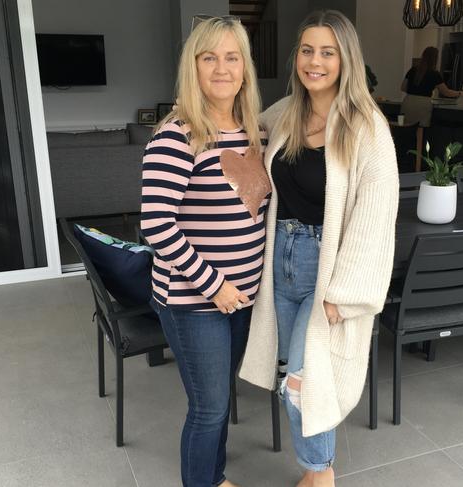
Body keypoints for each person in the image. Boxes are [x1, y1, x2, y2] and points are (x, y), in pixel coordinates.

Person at [239, 10, 399, 487]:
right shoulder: (286, 112)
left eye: (327, 52)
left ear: (345, 59)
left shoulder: (366, 127)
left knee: (303, 383)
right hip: (279, 263)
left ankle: (320, 474)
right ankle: (316, 472)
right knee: (296, 372)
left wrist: (341, 291)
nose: (315, 61)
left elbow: (375, 215)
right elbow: (240, 128)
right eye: (307, 50)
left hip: (324, 269)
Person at [140, 16, 269, 487]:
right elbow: (157, 226)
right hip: (196, 301)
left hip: (242, 298)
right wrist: (215, 286)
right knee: (209, 407)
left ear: (245, 68)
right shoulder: (177, 134)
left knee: (217, 401)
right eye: (209, 57)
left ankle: (213, 478)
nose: (221, 68)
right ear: (192, 67)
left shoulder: (254, 131)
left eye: (232, 57)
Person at [400, 46, 463, 127]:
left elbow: (403, 87)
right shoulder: (434, 74)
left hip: (408, 102)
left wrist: (414, 90)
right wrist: (460, 93)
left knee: (406, 129)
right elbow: (446, 92)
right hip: (423, 105)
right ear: (435, 59)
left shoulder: (413, 70)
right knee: (420, 129)